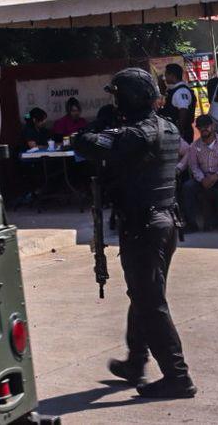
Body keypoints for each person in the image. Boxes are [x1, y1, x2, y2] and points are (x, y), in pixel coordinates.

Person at [73, 68, 195, 400]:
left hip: (145, 227)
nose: (116, 103)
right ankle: (136, 362)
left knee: (150, 302)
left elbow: (83, 143)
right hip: (163, 223)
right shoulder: (166, 126)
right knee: (142, 297)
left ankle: (177, 376)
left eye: (118, 97)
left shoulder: (139, 134)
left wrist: (101, 122)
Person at [163, 64, 196, 140]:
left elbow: (183, 110)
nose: (165, 78)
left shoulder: (181, 91)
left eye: (166, 75)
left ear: (172, 75)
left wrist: (180, 130)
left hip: (181, 133)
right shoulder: (175, 89)